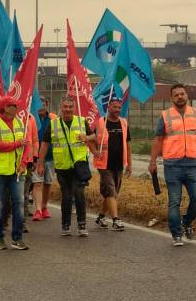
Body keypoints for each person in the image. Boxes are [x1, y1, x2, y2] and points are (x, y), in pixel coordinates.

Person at [148, 84, 196, 246]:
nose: (180, 97)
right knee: (174, 201)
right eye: (176, 95)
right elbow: (158, 140)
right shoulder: (165, 115)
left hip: (192, 164)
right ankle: (176, 233)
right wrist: (152, 161)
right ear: (172, 98)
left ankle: (187, 222)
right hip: (173, 166)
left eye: (182, 94)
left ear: (186, 96)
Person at [37, 98, 95, 237]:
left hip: (79, 165)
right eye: (65, 107)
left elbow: (95, 136)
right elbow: (45, 144)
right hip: (62, 167)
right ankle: (66, 225)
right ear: (61, 107)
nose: (68, 109)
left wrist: (87, 137)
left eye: (70, 107)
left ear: (74, 108)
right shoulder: (53, 124)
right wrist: (40, 163)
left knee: (79, 194)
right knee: (67, 196)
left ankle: (82, 225)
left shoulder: (81, 121)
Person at [0, 97, 30, 250]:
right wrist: (16, 144)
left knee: (19, 203)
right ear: (4, 108)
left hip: (17, 171)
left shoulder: (20, 123)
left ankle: (17, 239)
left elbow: (27, 146)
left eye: (16, 105)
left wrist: (24, 163)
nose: (16, 107)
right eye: (12, 105)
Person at [92, 99, 132, 231]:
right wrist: (94, 151)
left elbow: (128, 144)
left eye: (119, 108)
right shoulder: (100, 122)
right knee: (111, 191)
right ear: (108, 107)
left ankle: (101, 216)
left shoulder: (124, 123)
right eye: (115, 107)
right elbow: (90, 138)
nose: (117, 110)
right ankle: (116, 220)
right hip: (104, 164)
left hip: (119, 164)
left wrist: (129, 164)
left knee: (112, 193)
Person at [31, 98, 57, 221]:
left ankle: (44, 206)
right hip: (36, 156)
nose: (41, 106)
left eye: (44, 104)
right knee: (37, 183)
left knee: (47, 183)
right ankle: (38, 210)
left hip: (50, 157)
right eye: (39, 104)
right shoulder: (32, 119)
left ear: (47, 105)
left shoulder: (53, 119)